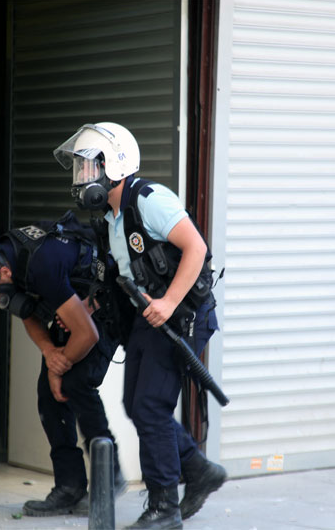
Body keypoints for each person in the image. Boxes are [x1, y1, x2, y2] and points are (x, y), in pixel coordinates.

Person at [54, 122, 227, 529]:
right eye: (80, 169)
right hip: (150, 317)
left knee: (149, 405)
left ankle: (165, 506)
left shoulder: (148, 199)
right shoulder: (112, 217)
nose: (83, 178)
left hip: (179, 316)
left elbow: (196, 248)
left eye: (88, 168)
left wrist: (168, 303)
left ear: (114, 164)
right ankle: (198, 469)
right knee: (137, 403)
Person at [0, 212, 125, 517]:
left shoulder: (42, 265)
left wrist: (55, 367)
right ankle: (69, 487)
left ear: (4, 273)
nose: (2, 302)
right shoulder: (10, 256)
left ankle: (110, 474)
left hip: (106, 305)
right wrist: (49, 351)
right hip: (74, 306)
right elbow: (28, 313)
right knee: (48, 396)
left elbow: (87, 334)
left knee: (77, 383)